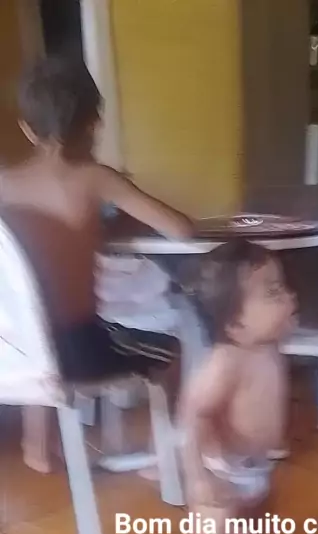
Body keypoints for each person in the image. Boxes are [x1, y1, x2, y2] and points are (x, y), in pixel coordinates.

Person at [0, 53, 194, 471]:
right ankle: (158, 458)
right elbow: (181, 229)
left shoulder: (4, 184)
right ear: (94, 122)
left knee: (38, 327)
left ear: (27, 128)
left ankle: (38, 447)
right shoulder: (95, 177)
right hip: (80, 349)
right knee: (173, 349)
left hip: (15, 352)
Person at [180, 240, 297, 534]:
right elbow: (193, 419)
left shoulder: (269, 346)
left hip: (257, 465)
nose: (290, 296)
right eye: (273, 292)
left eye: (284, 287)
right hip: (222, 469)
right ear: (235, 324)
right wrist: (198, 476)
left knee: (256, 529)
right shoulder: (224, 363)